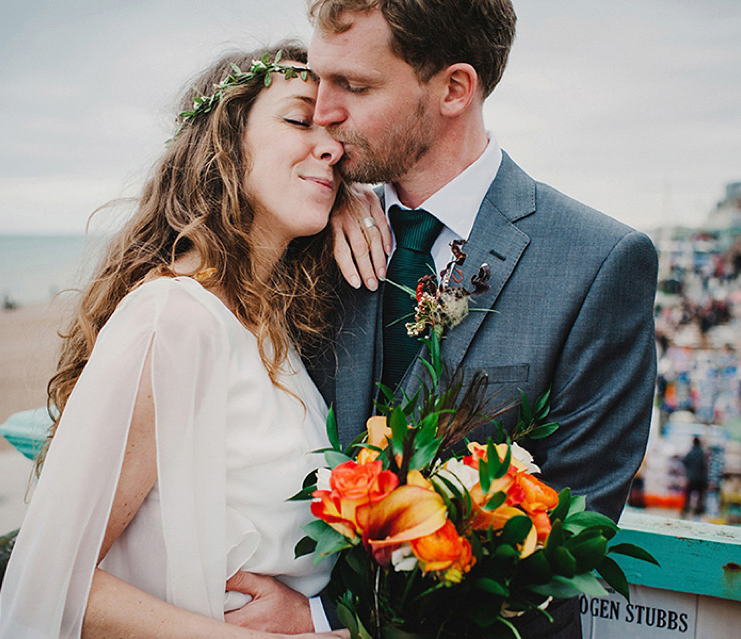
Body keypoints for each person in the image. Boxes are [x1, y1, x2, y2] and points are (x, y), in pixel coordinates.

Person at [242, 1, 658, 636]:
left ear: (455, 89)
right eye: (319, 78)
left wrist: (320, 620)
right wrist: (334, 198)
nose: (323, 112)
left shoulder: (599, 262)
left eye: (354, 86)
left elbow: (565, 540)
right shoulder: (304, 225)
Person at [0, 42, 362, 639]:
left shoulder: (269, 326)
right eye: (300, 120)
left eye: (335, 133)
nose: (332, 147)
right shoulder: (175, 318)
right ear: (224, 142)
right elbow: (47, 583)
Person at [681, 437, 708, 517]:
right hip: (700, 478)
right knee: (700, 496)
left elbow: (684, 461)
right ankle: (698, 511)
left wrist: (689, 470)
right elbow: (705, 465)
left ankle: (686, 509)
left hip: (691, 478)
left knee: (688, 495)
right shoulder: (702, 453)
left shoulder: (691, 452)